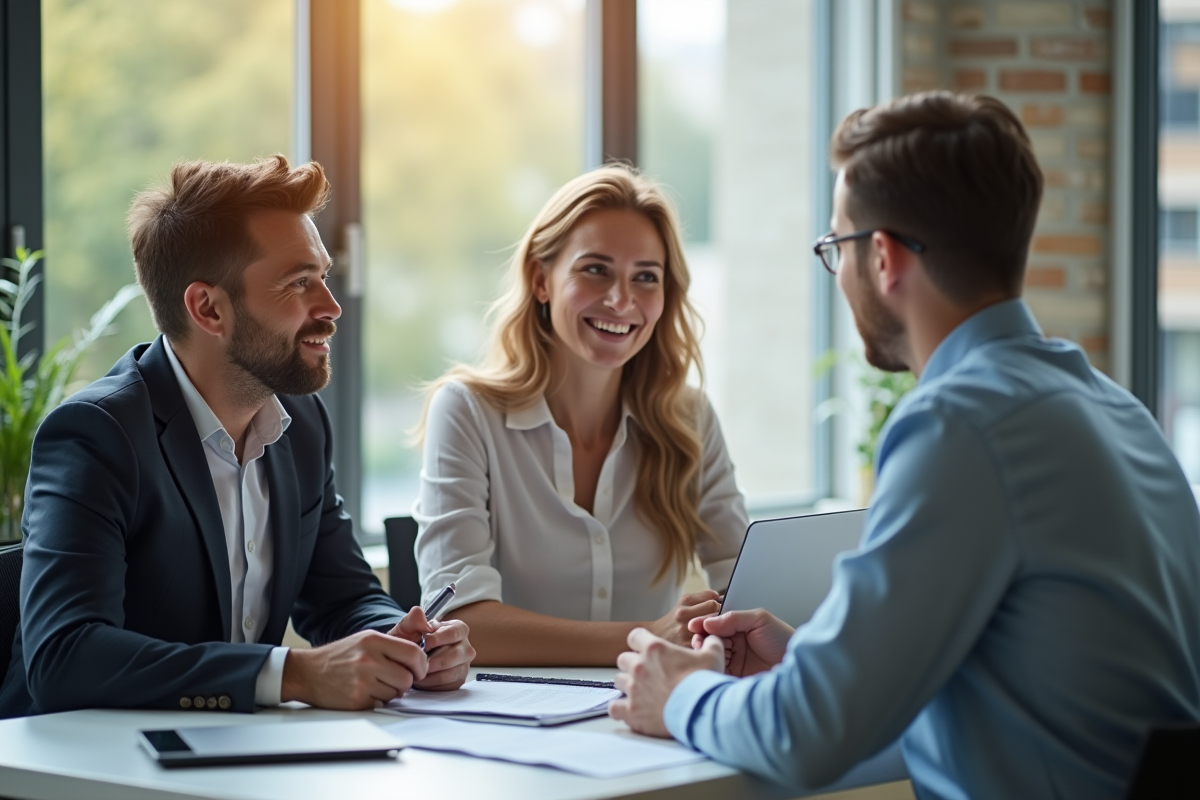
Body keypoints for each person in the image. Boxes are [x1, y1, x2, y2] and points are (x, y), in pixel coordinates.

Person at [608, 91, 1200, 799]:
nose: (840, 273)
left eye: (836, 248)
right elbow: (1038, 671)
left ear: (882, 256)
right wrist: (815, 660)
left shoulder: (961, 425)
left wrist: (679, 695)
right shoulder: (1110, 406)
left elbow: (809, 736)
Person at [0, 156, 474, 718]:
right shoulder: (96, 435)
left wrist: (402, 642)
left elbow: (344, 597)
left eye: (324, 277)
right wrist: (293, 673)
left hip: (235, 756)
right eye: (299, 283)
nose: (331, 307)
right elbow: (65, 656)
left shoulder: (302, 425)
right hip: (89, 767)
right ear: (207, 308)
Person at [413, 164, 748, 665]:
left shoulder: (689, 417)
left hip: (652, 714)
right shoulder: (466, 412)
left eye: (645, 278)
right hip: (506, 724)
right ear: (541, 279)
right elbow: (463, 623)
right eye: (595, 269)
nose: (621, 300)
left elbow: (745, 580)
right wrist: (647, 635)